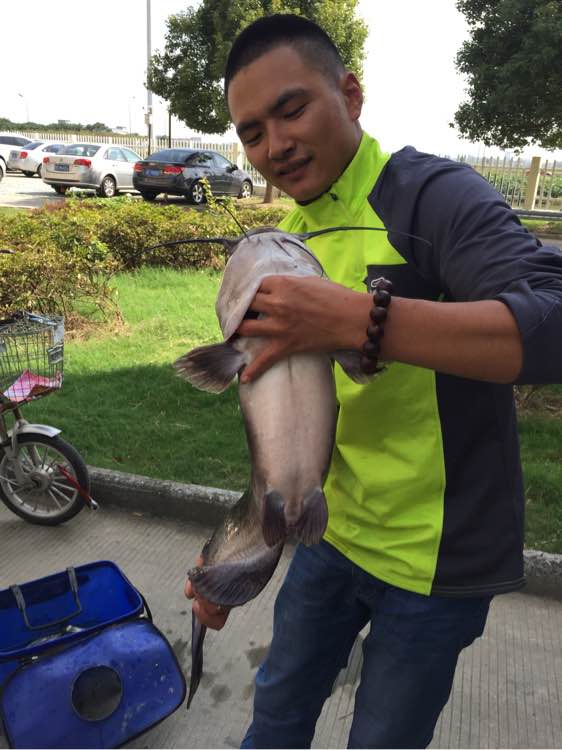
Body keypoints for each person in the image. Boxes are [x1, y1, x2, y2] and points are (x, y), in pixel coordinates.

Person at [185, 13, 562, 749]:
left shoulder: (432, 198)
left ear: (350, 95)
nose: (275, 145)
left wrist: (360, 320)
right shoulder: (287, 243)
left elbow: (553, 319)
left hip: (436, 560)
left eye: (292, 109)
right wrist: (227, 559)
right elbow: (282, 427)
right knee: (276, 716)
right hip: (330, 536)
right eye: (252, 133)